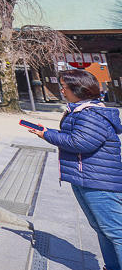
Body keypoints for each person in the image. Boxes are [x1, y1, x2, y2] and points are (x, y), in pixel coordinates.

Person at [25, 69, 122, 270]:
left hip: (99, 181)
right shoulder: (80, 110)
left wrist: (47, 136)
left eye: (65, 87)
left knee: (115, 231)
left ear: (79, 89)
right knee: (101, 229)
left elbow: (81, 143)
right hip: (85, 177)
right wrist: (48, 132)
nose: (62, 90)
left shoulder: (91, 113)